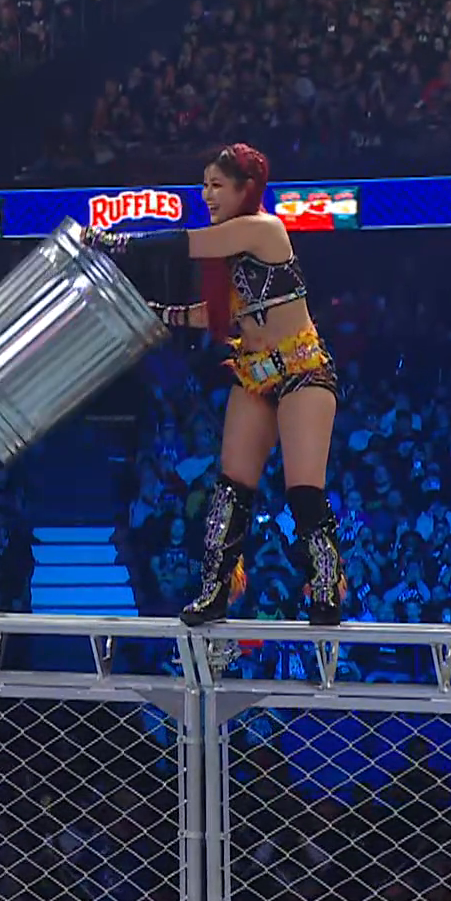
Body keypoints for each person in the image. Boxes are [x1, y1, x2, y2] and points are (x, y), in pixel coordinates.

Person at [85, 144, 346, 624]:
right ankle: (216, 591)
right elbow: (224, 315)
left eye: (217, 185)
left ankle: (325, 587)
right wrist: (161, 314)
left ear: (246, 189)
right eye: (204, 185)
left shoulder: (263, 229)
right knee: (230, 488)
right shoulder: (231, 251)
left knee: (303, 489)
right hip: (255, 372)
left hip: (302, 370)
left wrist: (115, 243)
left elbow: (187, 242)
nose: (206, 194)